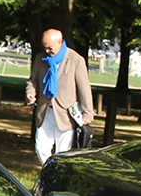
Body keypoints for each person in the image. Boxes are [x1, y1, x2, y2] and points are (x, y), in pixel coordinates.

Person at [25, 28, 93, 163]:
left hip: (66, 114)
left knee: (63, 153)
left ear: (60, 42)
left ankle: (58, 178)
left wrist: (88, 114)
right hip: (45, 111)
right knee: (41, 148)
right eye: (45, 48)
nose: (47, 51)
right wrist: (30, 93)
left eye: (50, 48)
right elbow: (32, 80)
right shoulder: (40, 59)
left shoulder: (75, 60)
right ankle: (49, 173)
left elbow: (84, 88)